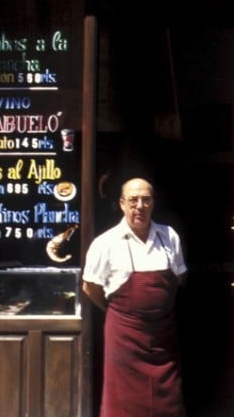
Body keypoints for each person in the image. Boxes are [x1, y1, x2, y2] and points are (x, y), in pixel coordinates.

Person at [82, 177, 188, 417]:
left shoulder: (169, 236)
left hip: (163, 335)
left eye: (146, 200)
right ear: (122, 203)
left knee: (167, 399)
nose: (139, 206)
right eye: (133, 200)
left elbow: (179, 277)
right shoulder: (105, 243)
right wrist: (121, 314)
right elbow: (90, 287)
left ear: (153, 203)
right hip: (124, 336)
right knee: (123, 401)